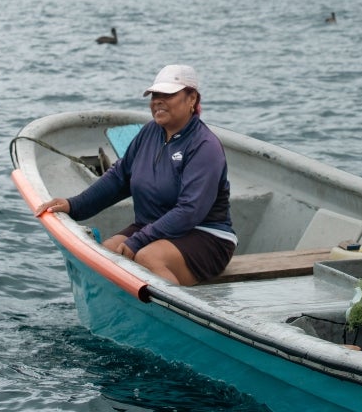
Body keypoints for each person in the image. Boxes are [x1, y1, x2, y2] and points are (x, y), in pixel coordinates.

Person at [39, 64, 237, 286]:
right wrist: (73, 205)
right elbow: (119, 178)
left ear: (192, 99)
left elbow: (190, 211)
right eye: (154, 95)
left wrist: (138, 241)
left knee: (147, 258)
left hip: (206, 235)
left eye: (168, 94)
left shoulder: (204, 146)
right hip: (153, 227)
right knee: (107, 253)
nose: (158, 101)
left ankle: (176, 315)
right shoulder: (149, 133)